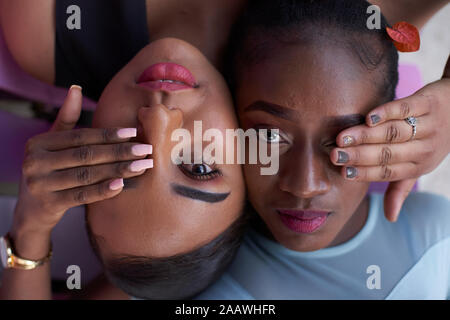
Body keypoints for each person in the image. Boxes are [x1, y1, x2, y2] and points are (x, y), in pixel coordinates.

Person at [1, 0, 450, 219]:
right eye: (196, 166)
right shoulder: (372, 11)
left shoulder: (51, 32)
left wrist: (31, 235)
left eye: (128, 162)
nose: (158, 118)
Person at [196, 0, 450, 299]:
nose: (305, 186)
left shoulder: (436, 234)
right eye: (269, 136)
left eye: (345, 137)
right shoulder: (191, 261)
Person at [0, 38, 247, 300]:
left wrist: (30, 227)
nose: (157, 116)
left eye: (121, 164)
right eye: (199, 166)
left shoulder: (48, 41)